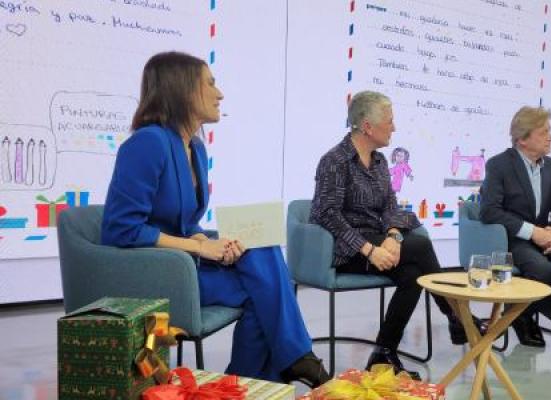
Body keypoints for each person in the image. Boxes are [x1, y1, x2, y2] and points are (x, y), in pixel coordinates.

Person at [101, 52, 330, 387]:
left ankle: (249, 385)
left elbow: (182, 221)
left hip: (182, 265)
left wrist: (209, 242)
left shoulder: (194, 146)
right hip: (152, 274)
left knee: (260, 258)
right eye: (210, 83)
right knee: (264, 288)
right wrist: (200, 248)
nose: (220, 93)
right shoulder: (147, 143)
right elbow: (121, 229)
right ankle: (280, 368)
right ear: (182, 90)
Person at [310, 91, 481, 379]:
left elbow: (390, 205)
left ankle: (383, 353)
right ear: (367, 126)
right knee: (423, 246)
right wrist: (369, 249)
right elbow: (326, 214)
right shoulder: (335, 161)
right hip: (347, 250)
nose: (394, 127)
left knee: (413, 272)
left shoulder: (380, 162)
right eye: (389, 121)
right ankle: (455, 316)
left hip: (379, 242)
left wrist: (392, 236)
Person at [480, 106, 551, 347]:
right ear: (523, 139)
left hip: (548, 235)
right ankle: (523, 317)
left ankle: (517, 315)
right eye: (544, 132)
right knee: (542, 270)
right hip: (514, 238)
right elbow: (489, 211)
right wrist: (533, 232)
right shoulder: (499, 165)